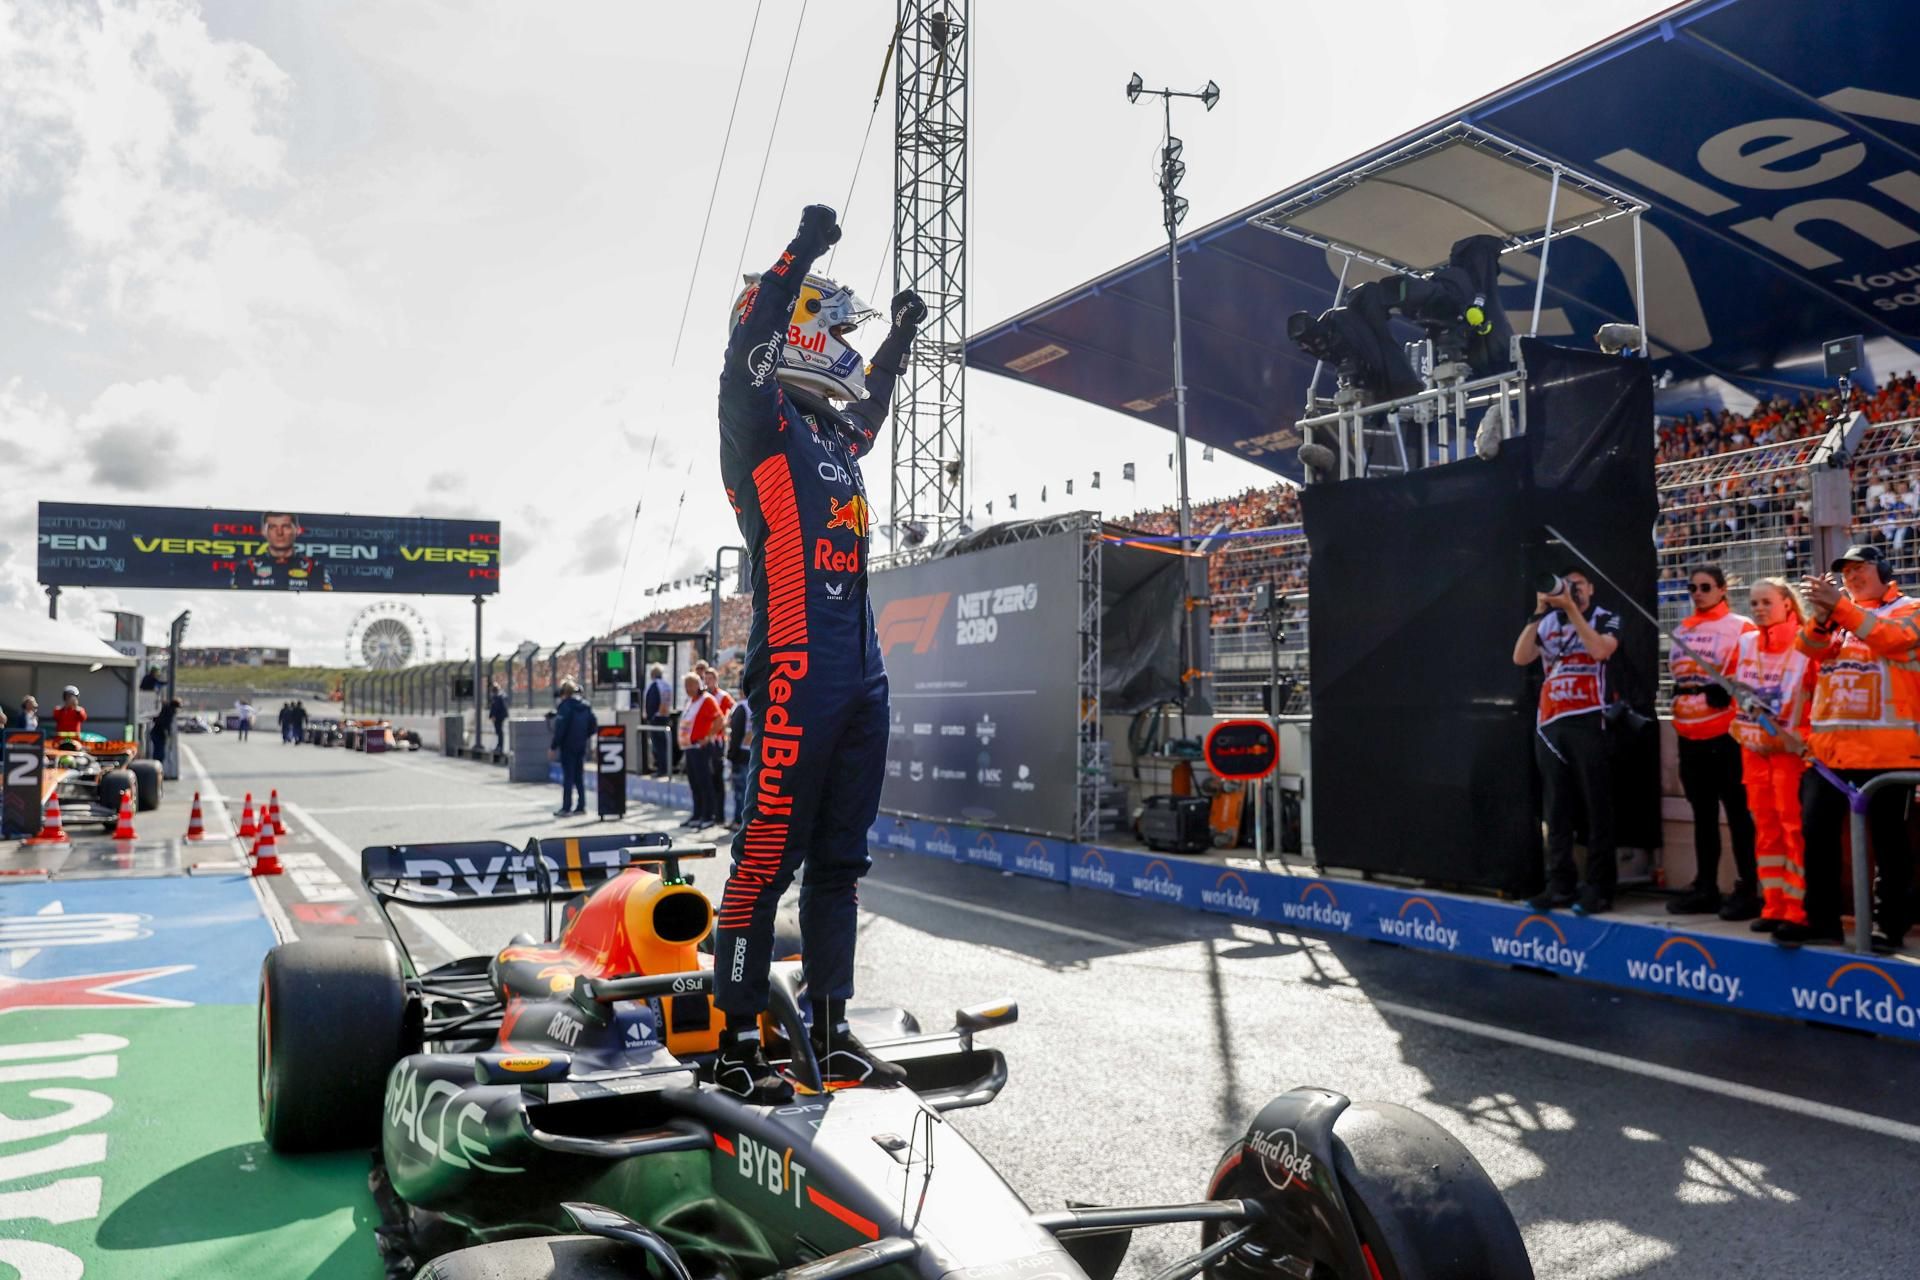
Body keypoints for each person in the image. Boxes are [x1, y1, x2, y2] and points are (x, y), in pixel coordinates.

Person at [710, 202, 923, 1100]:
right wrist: (800, 253)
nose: (838, 342)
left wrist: (900, 339)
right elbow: (748, 339)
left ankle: (832, 1036)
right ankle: (735, 1043)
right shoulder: (757, 418)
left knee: (843, 865)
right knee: (765, 859)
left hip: (864, 673)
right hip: (795, 666)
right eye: (826, 324)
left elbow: (870, 398)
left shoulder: (837, 434)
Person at [1787, 545, 1920, 949]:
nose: (1852, 577)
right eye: (1846, 572)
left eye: (1861, 569)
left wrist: (1840, 609)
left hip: (1888, 754)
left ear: (1883, 570)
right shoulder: (1842, 620)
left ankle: (1888, 927)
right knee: (1818, 838)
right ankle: (1822, 922)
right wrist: (1823, 617)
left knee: (1890, 845)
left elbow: (1893, 640)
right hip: (1829, 754)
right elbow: (1808, 650)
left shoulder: (1909, 608)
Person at [1513, 569, 1622, 916]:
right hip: (1550, 724)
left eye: (1578, 586)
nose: (1571, 591)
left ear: (1591, 587)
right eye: (1567, 586)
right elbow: (1520, 657)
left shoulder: (1606, 617)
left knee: (1596, 809)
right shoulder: (1548, 623)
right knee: (1555, 811)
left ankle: (1600, 888)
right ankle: (1559, 884)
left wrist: (1574, 611)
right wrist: (1538, 613)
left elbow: (1600, 651)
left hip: (1589, 718)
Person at [1667, 565, 1760, 919]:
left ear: (1723, 589)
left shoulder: (1740, 626)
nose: (1698, 593)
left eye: (1705, 586)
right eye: (1692, 587)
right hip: (1689, 733)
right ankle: (1705, 886)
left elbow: (1755, 669)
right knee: (1702, 814)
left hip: (1727, 735)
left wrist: (1733, 688)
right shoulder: (1680, 630)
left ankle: (1747, 887)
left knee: (1738, 813)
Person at [1726, 578, 1817, 933]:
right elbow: (1739, 697)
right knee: (1765, 831)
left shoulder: (1805, 643)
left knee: (1793, 830)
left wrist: (1798, 739)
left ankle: (1798, 910)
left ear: (1788, 605)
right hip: (1754, 754)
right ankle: (1774, 904)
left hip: (1790, 755)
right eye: (1754, 603)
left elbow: (1816, 702)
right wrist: (1738, 728)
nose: (1759, 609)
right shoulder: (1746, 643)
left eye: (1767, 602)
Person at [231, 511, 333, 590]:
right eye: (272, 527)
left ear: (297, 530)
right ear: (263, 531)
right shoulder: (247, 567)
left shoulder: (314, 567)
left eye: (286, 526)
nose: (279, 533)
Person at [677, 673, 719, 830]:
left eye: (691, 685)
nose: (688, 689)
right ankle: (697, 814)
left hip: (701, 748)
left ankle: (708, 816)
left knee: (704, 782)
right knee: (694, 783)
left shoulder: (707, 700)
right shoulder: (690, 701)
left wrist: (708, 737)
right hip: (689, 748)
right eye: (686, 686)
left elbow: (719, 719)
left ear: (698, 685)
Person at [549, 678, 596, 817]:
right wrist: (584, 737)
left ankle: (566, 807)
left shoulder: (565, 707)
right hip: (581, 745)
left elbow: (560, 730)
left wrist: (553, 746)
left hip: (568, 747)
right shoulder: (586, 706)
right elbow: (593, 726)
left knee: (568, 778)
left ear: (564, 692)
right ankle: (581, 806)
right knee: (579, 777)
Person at [701, 666, 733, 814]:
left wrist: (725, 722)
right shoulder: (702, 696)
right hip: (703, 741)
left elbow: (734, 711)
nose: (707, 682)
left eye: (710, 679)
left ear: (716, 679)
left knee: (717, 777)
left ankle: (718, 814)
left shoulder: (723, 696)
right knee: (705, 777)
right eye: (705, 679)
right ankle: (707, 811)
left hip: (717, 740)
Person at [725, 692, 750, 830]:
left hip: (740, 755)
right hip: (752, 752)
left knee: (740, 790)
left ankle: (738, 821)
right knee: (747, 790)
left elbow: (736, 734)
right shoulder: (757, 706)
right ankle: (743, 821)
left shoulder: (741, 707)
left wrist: (731, 755)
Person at [641, 663, 672, 776]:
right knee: (664, 744)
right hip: (665, 717)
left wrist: (650, 717)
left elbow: (651, 702)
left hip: (656, 719)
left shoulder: (653, 686)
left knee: (658, 746)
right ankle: (665, 767)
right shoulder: (667, 685)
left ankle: (661, 769)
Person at [150, 697, 180, 764]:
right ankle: (158, 766)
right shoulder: (170, 712)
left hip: (156, 733)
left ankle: (156, 765)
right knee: (160, 753)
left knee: (157, 751)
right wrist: (168, 733)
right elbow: (166, 724)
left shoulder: (166, 709)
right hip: (159, 734)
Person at [488, 682, 509, 755]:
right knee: (498, 732)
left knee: (499, 732)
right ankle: (499, 746)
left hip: (498, 717)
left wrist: (493, 716)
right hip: (500, 716)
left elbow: (495, 707)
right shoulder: (500, 695)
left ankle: (500, 747)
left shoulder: (498, 696)